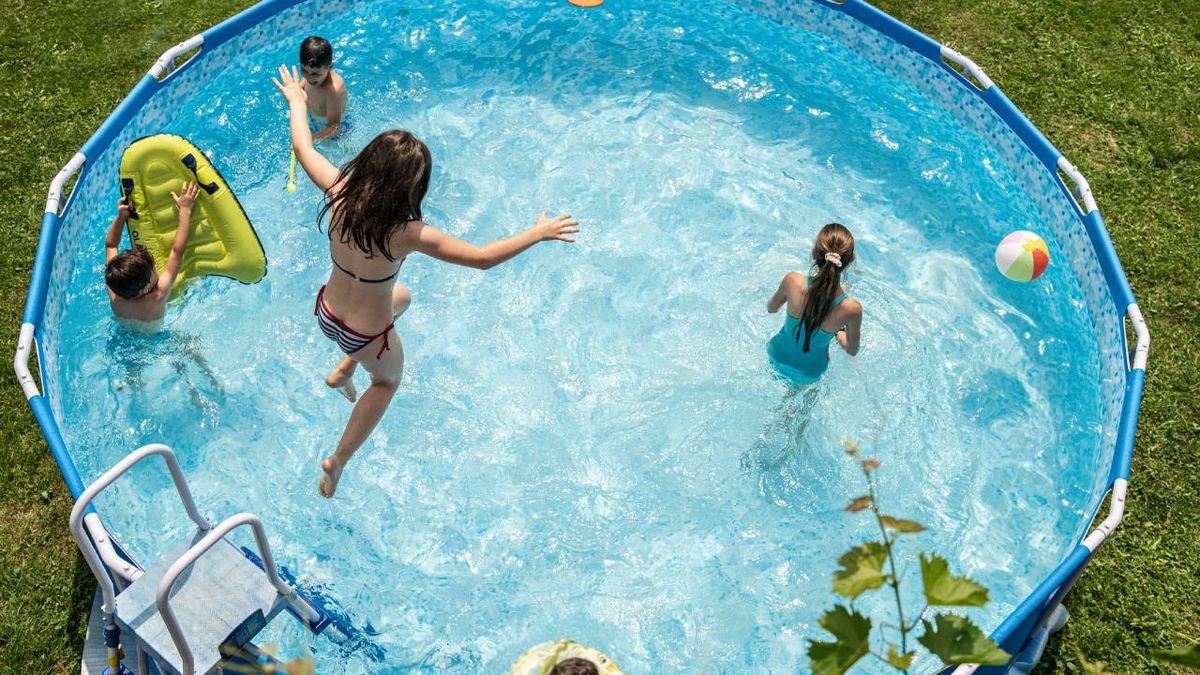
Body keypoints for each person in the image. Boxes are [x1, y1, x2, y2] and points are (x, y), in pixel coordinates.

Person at [274, 65, 581, 498]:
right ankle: (339, 457)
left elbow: (303, 145)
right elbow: (482, 259)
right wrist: (538, 232)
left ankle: (344, 369)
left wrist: (296, 102)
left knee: (403, 297)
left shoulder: (339, 190)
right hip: (367, 334)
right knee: (386, 382)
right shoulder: (407, 233)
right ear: (410, 189)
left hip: (326, 311)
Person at [766, 222, 862, 384]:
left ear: (815, 252)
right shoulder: (851, 309)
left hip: (776, 354)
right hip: (809, 372)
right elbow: (852, 350)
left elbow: (771, 308)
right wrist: (838, 333)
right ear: (850, 261)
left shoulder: (793, 281)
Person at [104, 181, 198, 328]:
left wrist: (121, 217)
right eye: (153, 268)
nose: (155, 266)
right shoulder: (158, 296)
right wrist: (185, 210)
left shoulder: (115, 294)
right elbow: (177, 252)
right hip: (157, 338)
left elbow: (111, 245)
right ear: (147, 288)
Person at [298, 35, 348, 141]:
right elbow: (301, 86)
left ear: (329, 67)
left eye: (315, 74)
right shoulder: (311, 73)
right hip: (315, 121)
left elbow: (335, 127)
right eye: (304, 71)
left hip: (336, 135)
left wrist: (307, 140)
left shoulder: (334, 90)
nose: (308, 77)